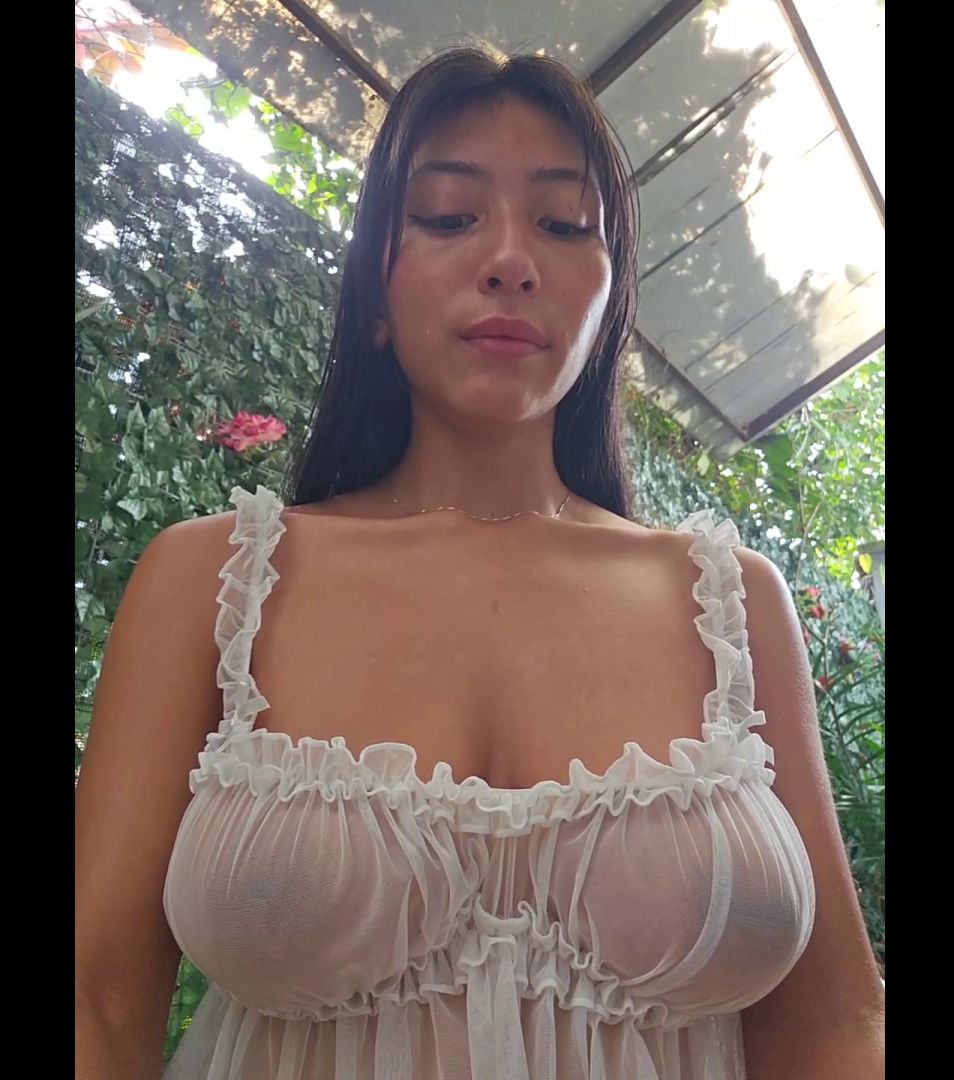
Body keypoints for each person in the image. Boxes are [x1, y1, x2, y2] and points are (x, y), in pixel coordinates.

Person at [75, 46, 884, 1080]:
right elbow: (97, 1001)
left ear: (609, 302)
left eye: (563, 224)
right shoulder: (215, 581)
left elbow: (833, 1021)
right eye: (449, 216)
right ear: (375, 289)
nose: (509, 260)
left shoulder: (730, 603)